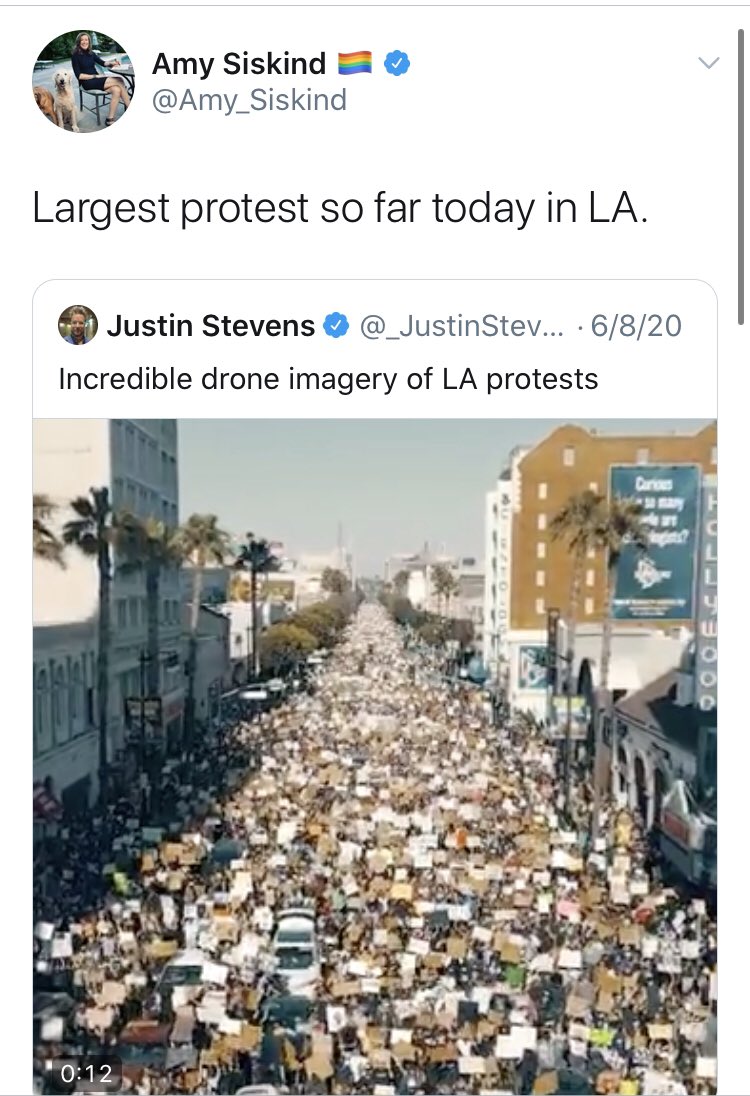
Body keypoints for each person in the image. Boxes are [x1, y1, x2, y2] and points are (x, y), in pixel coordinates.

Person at [71, 32, 131, 126]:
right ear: (79, 42)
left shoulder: (91, 53)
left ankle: (109, 119)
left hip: (96, 80)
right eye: (82, 40)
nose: (84, 42)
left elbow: (102, 63)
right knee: (119, 80)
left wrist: (112, 63)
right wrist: (95, 76)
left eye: (86, 40)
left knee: (117, 89)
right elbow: (79, 76)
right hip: (87, 82)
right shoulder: (75, 56)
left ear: (89, 41)